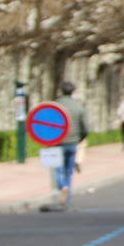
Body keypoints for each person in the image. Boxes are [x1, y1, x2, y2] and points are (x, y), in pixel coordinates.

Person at [46, 81, 89, 211]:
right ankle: (67, 197)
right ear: (73, 91)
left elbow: (47, 122)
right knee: (69, 171)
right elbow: (85, 128)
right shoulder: (78, 106)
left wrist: (48, 138)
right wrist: (79, 139)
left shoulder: (55, 105)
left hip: (57, 142)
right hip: (72, 142)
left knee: (57, 169)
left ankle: (61, 186)